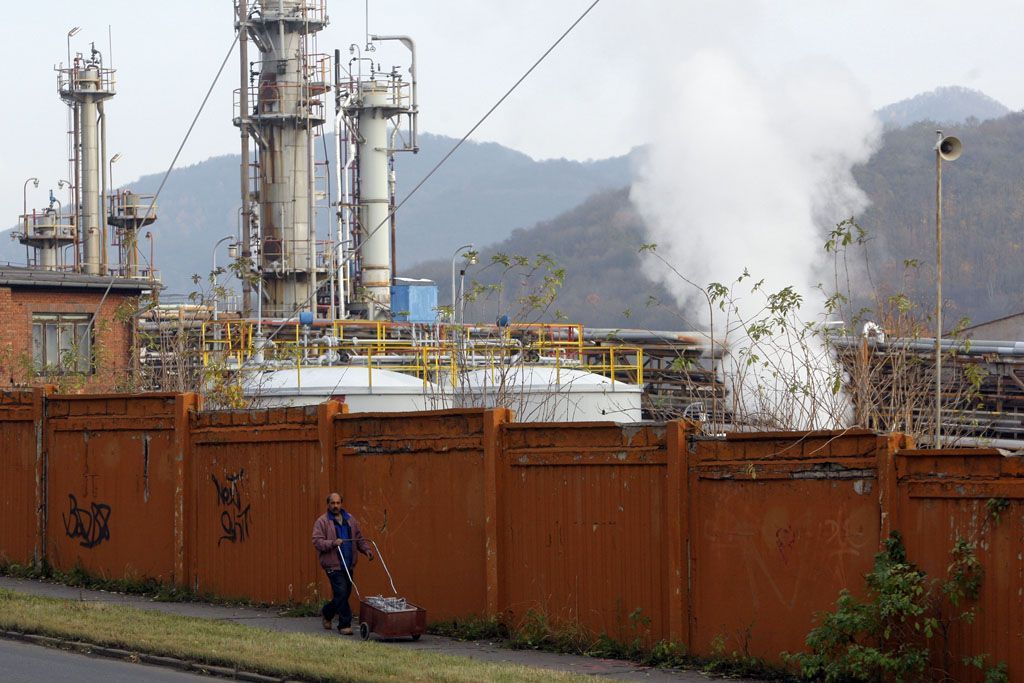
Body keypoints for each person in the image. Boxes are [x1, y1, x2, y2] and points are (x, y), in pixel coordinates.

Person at [312, 492, 373, 634]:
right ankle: (344, 624)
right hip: (333, 565)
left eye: (338, 503)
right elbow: (317, 541)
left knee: (344, 594)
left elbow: (358, 538)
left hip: (348, 563)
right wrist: (333, 543)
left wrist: (366, 550)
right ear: (328, 505)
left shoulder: (350, 519)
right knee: (341, 592)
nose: (335, 506)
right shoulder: (322, 521)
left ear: (341, 504)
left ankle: (327, 613)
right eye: (332, 503)